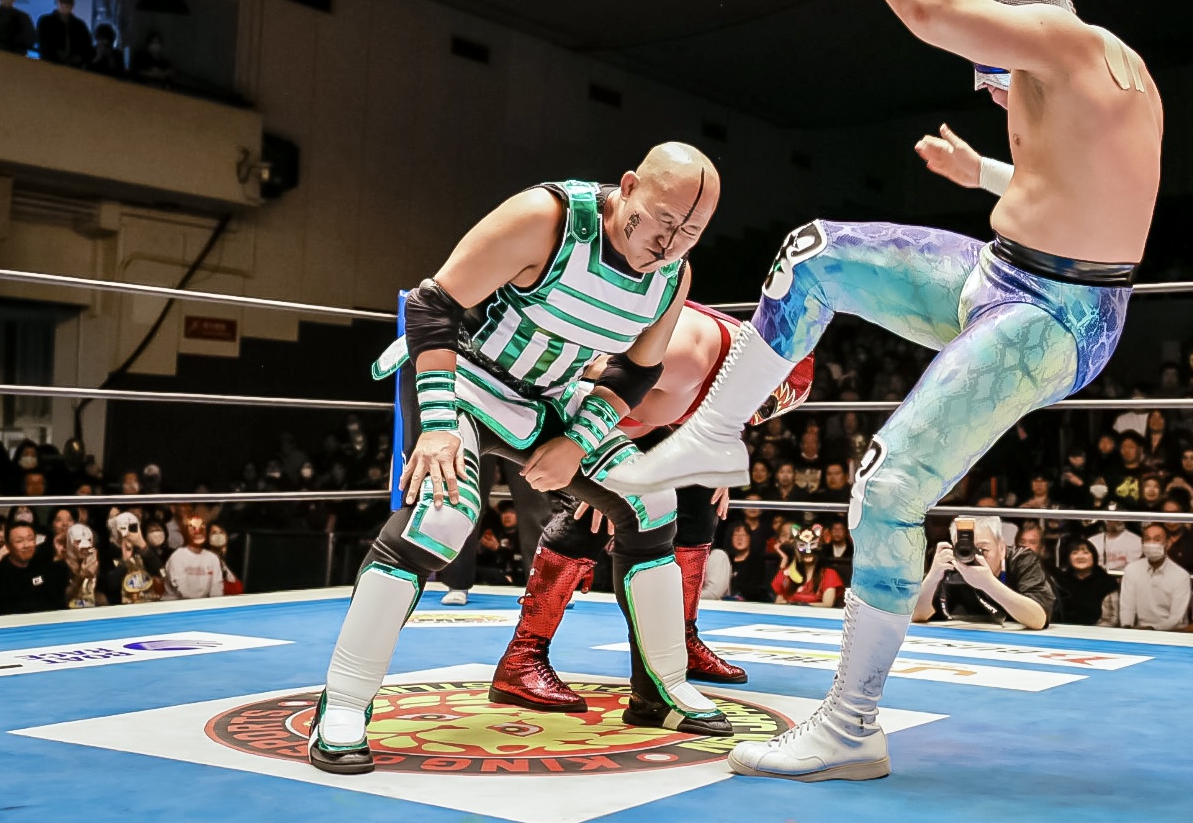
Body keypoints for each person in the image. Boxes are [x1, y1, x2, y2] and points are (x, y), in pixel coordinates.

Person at [606, 0, 1162, 783]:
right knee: (814, 253)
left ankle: (851, 725)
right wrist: (983, 173)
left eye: (993, 75)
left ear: (1022, 31)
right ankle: (718, 433)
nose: (992, 95)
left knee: (886, 486)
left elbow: (928, 7)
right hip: (1007, 271)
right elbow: (1081, 194)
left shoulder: (1067, 45)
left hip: (1057, 318)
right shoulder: (1094, 80)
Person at [310, 147, 733, 776]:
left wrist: (579, 442)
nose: (668, 245)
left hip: (553, 398)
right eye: (662, 221)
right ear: (628, 187)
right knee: (441, 516)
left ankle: (661, 688)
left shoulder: (675, 274)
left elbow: (637, 371)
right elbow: (433, 305)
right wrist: (436, 427)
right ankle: (343, 702)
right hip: (465, 375)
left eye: (689, 232)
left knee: (652, 499)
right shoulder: (547, 217)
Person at [487, 300, 813, 710]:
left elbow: (714, 406)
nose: (752, 415)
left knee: (702, 490)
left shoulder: (734, 367)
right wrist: (605, 467)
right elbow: (587, 382)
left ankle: (681, 638)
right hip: (571, 408)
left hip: (638, 414)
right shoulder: (687, 351)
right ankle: (523, 655)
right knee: (593, 518)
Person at [912, 515, 1054, 627]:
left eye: (982, 550)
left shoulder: (1021, 559)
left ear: (1002, 548)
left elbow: (1038, 620)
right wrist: (932, 577)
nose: (974, 557)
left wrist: (988, 584)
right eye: (965, 550)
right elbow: (916, 616)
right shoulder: (952, 564)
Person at [0, 521, 69, 615]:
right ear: (8, 546)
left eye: (30, 539)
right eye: (19, 541)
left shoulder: (45, 565)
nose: (26, 545)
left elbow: (60, 600)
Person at [1119, 523, 1190, 631]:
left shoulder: (1181, 576)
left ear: (1167, 543)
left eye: (1157, 539)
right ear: (1142, 542)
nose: (1151, 543)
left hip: (1172, 632)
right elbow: (1127, 607)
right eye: (1147, 539)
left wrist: (1152, 629)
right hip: (1140, 630)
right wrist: (1127, 628)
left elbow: (1176, 618)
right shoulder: (1131, 569)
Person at [771, 526, 845, 607]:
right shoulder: (787, 573)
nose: (808, 551)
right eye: (802, 545)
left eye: (812, 545)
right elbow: (779, 601)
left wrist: (799, 605)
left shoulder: (829, 574)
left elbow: (827, 604)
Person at [1053, 538, 1117, 626]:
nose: (1080, 557)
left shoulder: (1107, 583)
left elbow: (1111, 618)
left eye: (1086, 553)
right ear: (1068, 558)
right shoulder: (1060, 582)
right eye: (1075, 553)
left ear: (1094, 556)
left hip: (1099, 631)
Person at [162, 516, 225, 599]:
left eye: (202, 526)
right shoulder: (177, 557)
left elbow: (217, 590)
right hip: (177, 604)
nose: (198, 531)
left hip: (203, 604)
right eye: (192, 527)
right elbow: (183, 591)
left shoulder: (213, 558)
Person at [36, 0, 92, 66]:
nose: (65, 4)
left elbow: (86, 47)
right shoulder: (46, 22)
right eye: (63, 1)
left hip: (73, 67)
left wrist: (79, 57)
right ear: (57, 2)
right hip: (50, 64)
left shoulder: (80, 26)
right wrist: (55, 54)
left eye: (68, 2)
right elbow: (42, 43)